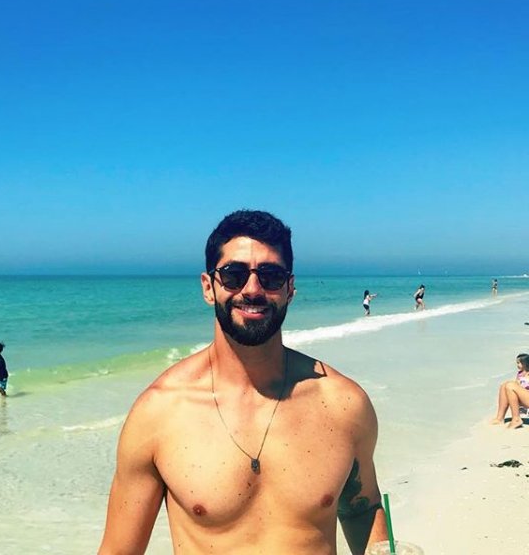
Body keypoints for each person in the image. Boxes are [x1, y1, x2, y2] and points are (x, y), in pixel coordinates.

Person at [99, 210, 388, 555]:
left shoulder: (343, 404)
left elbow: (361, 509)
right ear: (209, 287)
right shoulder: (159, 413)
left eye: (271, 276)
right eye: (233, 275)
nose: (252, 290)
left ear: (290, 289)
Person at [491, 353, 529, 429]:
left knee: (510, 385)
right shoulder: (520, 374)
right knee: (504, 385)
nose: (517, 365)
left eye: (519, 363)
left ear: (525, 363)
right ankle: (499, 418)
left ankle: (516, 419)